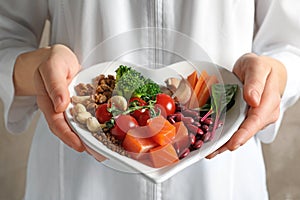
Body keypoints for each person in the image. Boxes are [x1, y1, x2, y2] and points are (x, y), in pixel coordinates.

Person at [1, 1, 300, 199]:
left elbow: (290, 42)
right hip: (79, 175)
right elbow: (6, 36)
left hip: (221, 179)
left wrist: (276, 75)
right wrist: (38, 69)